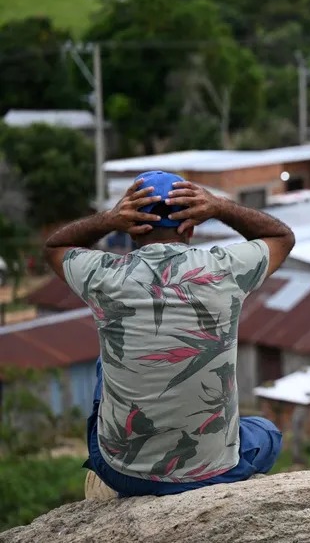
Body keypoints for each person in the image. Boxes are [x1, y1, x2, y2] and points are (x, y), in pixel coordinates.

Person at [44, 171, 295, 498]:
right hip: (214, 470)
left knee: (107, 362)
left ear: (132, 229)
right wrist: (220, 207)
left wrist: (108, 219)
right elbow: (282, 237)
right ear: (190, 226)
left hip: (122, 472)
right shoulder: (225, 269)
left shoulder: (103, 275)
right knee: (266, 433)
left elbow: (55, 246)